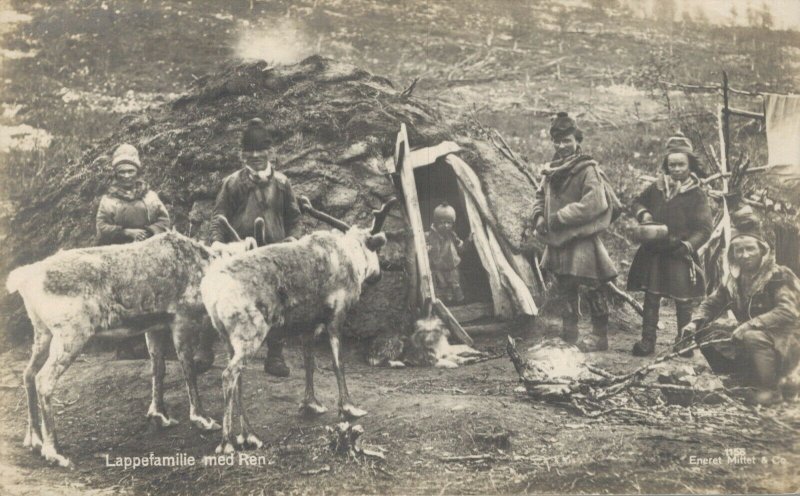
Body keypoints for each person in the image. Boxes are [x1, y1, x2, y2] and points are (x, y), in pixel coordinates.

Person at [209, 117, 302, 377]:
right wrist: (218, 243)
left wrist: (292, 240)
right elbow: (218, 217)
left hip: (275, 256)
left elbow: (295, 218)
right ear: (242, 155)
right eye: (250, 152)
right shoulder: (232, 183)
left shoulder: (282, 184)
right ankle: (224, 352)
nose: (256, 156)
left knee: (278, 304)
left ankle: (275, 356)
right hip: (242, 255)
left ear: (270, 152)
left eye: (261, 151)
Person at [684, 213, 800, 405]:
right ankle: (743, 379)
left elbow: (788, 312)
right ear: (732, 254)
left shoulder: (778, 276)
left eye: (750, 249)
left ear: (762, 250)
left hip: (788, 339)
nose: (745, 255)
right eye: (739, 250)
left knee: (752, 336)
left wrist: (750, 325)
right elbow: (713, 303)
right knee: (706, 332)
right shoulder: (734, 279)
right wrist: (695, 322)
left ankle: (772, 391)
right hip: (759, 340)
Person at [532, 112, 617, 352]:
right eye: (557, 142)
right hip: (558, 241)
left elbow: (595, 202)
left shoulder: (587, 168)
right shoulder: (552, 170)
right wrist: (539, 215)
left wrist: (561, 217)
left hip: (580, 239)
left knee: (591, 287)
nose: (562, 146)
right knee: (565, 287)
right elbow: (540, 196)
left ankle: (600, 336)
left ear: (577, 140)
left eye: (567, 141)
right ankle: (570, 334)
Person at [627, 133, 712, 357]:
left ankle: (684, 341)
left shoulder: (696, 194)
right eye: (671, 164)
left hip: (679, 252)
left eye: (680, 164)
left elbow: (704, 230)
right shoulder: (657, 187)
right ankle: (647, 341)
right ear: (666, 165)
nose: (676, 169)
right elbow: (636, 202)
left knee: (683, 300)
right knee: (651, 297)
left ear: (689, 165)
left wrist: (687, 246)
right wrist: (643, 214)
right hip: (655, 251)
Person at [96, 143, 171, 359]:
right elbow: (101, 227)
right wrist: (126, 232)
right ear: (116, 174)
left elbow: (164, 220)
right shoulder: (109, 200)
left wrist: (148, 232)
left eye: (130, 171)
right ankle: (129, 345)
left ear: (137, 171)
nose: (127, 176)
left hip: (149, 255)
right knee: (125, 299)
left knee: (152, 295)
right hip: (120, 257)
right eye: (122, 172)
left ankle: (160, 345)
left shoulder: (149, 196)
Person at [426, 203, 470, 304]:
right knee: (443, 286)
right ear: (436, 223)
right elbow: (428, 249)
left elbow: (461, 247)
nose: (446, 225)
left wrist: (468, 241)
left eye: (448, 223)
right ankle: (446, 304)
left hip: (452, 266)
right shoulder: (431, 236)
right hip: (438, 267)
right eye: (442, 223)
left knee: (456, 285)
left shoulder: (452, 235)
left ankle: (461, 302)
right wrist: (427, 250)